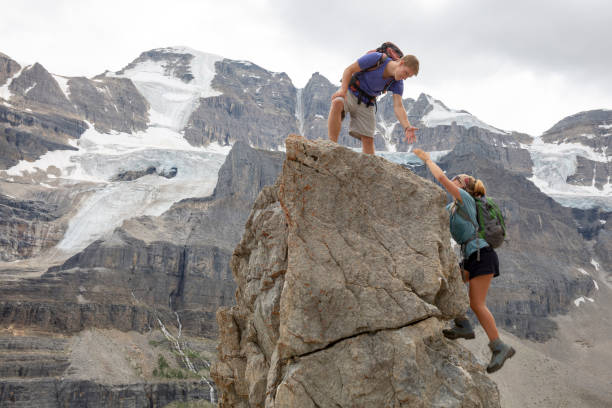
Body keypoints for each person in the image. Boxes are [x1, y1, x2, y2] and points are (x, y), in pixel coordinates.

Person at [413, 148, 516, 374]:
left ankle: (499, 346)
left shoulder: (466, 199)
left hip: (483, 256)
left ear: (464, 186)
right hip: (472, 257)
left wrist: (428, 159)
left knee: (477, 303)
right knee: (448, 284)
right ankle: (463, 325)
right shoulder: (453, 208)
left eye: (456, 179)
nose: (451, 180)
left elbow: (439, 178)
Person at [327, 51, 419, 154]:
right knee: (337, 103)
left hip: (367, 102)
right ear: (401, 63)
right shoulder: (376, 59)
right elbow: (349, 70)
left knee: (368, 140)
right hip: (351, 91)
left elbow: (398, 106)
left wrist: (407, 127)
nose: (405, 77)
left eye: (408, 76)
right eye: (406, 73)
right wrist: (343, 90)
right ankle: (332, 145)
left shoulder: (397, 83)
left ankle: (367, 167)